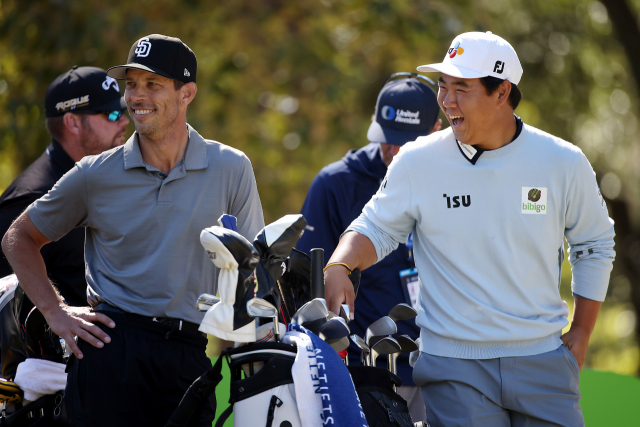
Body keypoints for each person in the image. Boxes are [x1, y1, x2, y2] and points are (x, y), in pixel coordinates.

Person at [324, 31, 615, 427]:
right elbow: (375, 227)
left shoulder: (563, 161)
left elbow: (594, 243)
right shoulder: (416, 160)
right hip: (453, 368)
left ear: (502, 93)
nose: (445, 101)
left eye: (461, 88)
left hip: (543, 362)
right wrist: (340, 265)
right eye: (443, 87)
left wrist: (581, 332)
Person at [2, 34, 265, 427]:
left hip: (190, 354)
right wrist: (56, 312)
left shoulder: (232, 167)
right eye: (131, 85)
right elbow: (18, 238)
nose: (136, 96)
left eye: (152, 84)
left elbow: (254, 266)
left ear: (186, 93)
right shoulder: (94, 173)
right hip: (111, 349)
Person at [296, 73, 440, 422]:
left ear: (437, 130)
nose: (392, 151)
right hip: (367, 372)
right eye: (385, 139)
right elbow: (308, 288)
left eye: (404, 143)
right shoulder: (335, 183)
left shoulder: (456, 177)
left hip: (443, 369)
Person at [0, 66, 128, 309]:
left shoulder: (102, 179)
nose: (124, 121)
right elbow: (7, 310)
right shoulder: (32, 197)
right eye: (111, 114)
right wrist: (59, 314)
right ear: (72, 122)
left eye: (122, 111)